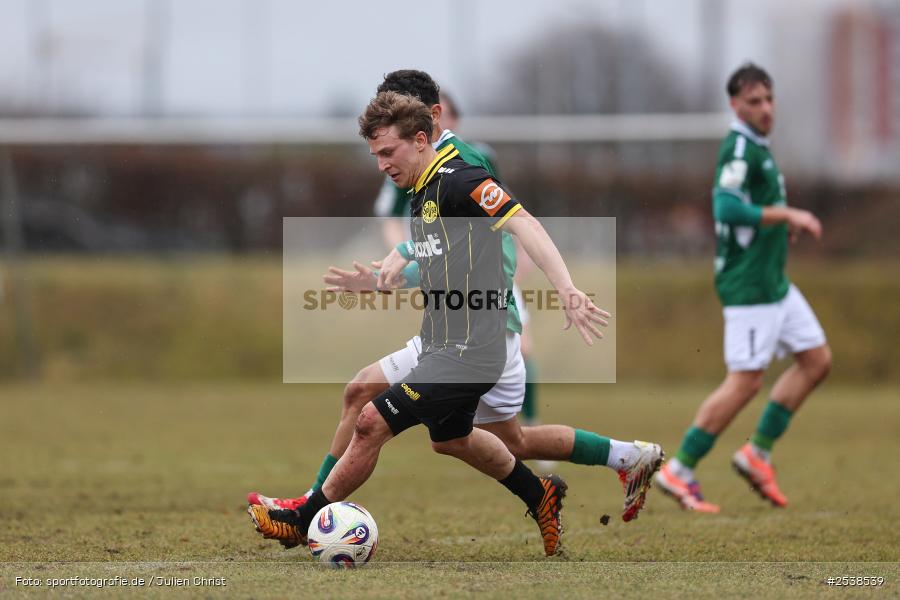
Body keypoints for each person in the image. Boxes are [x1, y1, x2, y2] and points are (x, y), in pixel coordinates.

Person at [248, 70, 662, 526]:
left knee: (374, 419)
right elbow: (442, 259)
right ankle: (617, 460)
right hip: (447, 334)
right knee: (469, 434)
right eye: (377, 153)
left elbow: (522, 223)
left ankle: (306, 515)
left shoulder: (460, 172)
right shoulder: (421, 182)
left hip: (477, 336)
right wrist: (388, 278)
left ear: (425, 128)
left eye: (389, 149)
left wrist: (566, 289)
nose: (382, 164)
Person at [654, 63, 832, 512]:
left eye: (769, 99)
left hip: (774, 283)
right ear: (735, 104)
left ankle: (758, 453)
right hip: (749, 286)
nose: (766, 108)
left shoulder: (759, 147)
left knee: (815, 359)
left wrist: (776, 225)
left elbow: (755, 211)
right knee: (746, 382)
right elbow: (727, 208)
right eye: (755, 101)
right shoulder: (739, 150)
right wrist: (789, 216)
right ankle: (681, 469)